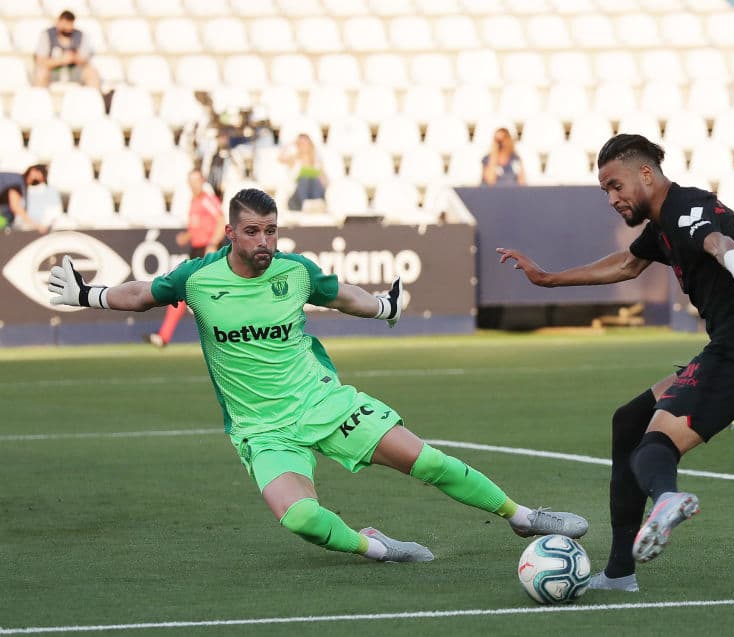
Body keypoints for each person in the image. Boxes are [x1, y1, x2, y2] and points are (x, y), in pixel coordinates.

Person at [48, 187, 587, 563]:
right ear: (231, 232)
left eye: (271, 231)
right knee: (301, 518)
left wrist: (382, 307)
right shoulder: (198, 278)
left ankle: (521, 515)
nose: (264, 242)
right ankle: (375, 546)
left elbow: (342, 295)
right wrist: (86, 294)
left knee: (425, 460)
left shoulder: (295, 271)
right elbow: (141, 295)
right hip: (263, 429)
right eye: (253, 232)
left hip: (323, 404)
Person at [496, 134, 734, 591]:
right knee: (630, 421)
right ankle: (620, 573)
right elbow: (626, 263)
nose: (612, 198)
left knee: (655, 441)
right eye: (605, 191)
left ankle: (667, 499)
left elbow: (716, 241)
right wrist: (549, 279)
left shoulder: (684, 209)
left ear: (646, 173)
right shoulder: (664, 222)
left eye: (616, 186)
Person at [146, 170, 225, 348]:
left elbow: (221, 221)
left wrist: (212, 244)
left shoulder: (207, 199)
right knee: (182, 291)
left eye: (196, 181)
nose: (193, 185)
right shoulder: (194, 201)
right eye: (190, 182)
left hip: (207, 251)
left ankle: (226, 333)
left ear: (203, 181)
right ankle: (164, 335)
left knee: (206, 292)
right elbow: (202, 225)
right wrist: (188, 236)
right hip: (196, 249)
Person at [33, 10, 100, 89]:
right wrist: (61, 60)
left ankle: (93, 99)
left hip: (74, 71)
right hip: (53, 71)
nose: (67, 30)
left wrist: (73, 58)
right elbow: (41, 61)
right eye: (64, 27)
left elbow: (85, 60)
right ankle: (40, 98)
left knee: (92, 73)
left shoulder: (80, 35)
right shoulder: (47, 35)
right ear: (58, 23)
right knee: (41, 72)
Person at [279, 133, 327, 212]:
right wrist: (290, 144)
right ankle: (307, 205)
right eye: (301, 143)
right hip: (297, 198)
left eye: (305, 143)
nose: (304, 146)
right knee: (304, 179)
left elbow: (323, 180)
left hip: (314, 193)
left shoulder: (317, 161)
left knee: (315, 180)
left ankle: (316, 204)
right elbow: (280, 158)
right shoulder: (294, 159)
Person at [0, 164, 51, 233]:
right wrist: (36, 226)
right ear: (33, 171)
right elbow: (15, 207)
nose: (39, 181)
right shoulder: (17, 182)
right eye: (40, 177)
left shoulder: (21, 182)